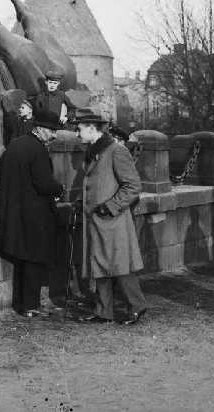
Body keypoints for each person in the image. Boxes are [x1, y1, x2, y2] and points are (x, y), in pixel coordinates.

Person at [70, 107, 147, 325]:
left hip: (112, 220)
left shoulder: (116, 151)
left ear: (91, 128)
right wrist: (81, 202)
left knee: (120, 267)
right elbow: (94, 184)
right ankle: (104, 311)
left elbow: (133, 186)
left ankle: (137, 306)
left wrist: (110, 207)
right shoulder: (94, 151)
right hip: (96, 220)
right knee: (100, 265)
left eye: (79, 129)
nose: (77, 133)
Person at [0, 109, 65, 317]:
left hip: (14, 212)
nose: (54, 135)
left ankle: (21, 304)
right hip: (36, 214)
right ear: (40, 129)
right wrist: (60, 189)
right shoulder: (38, 149)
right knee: (34, 259)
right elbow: (44, 183)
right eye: (52, 130)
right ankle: (31, 305)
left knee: (21, 259)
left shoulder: (14, 144)